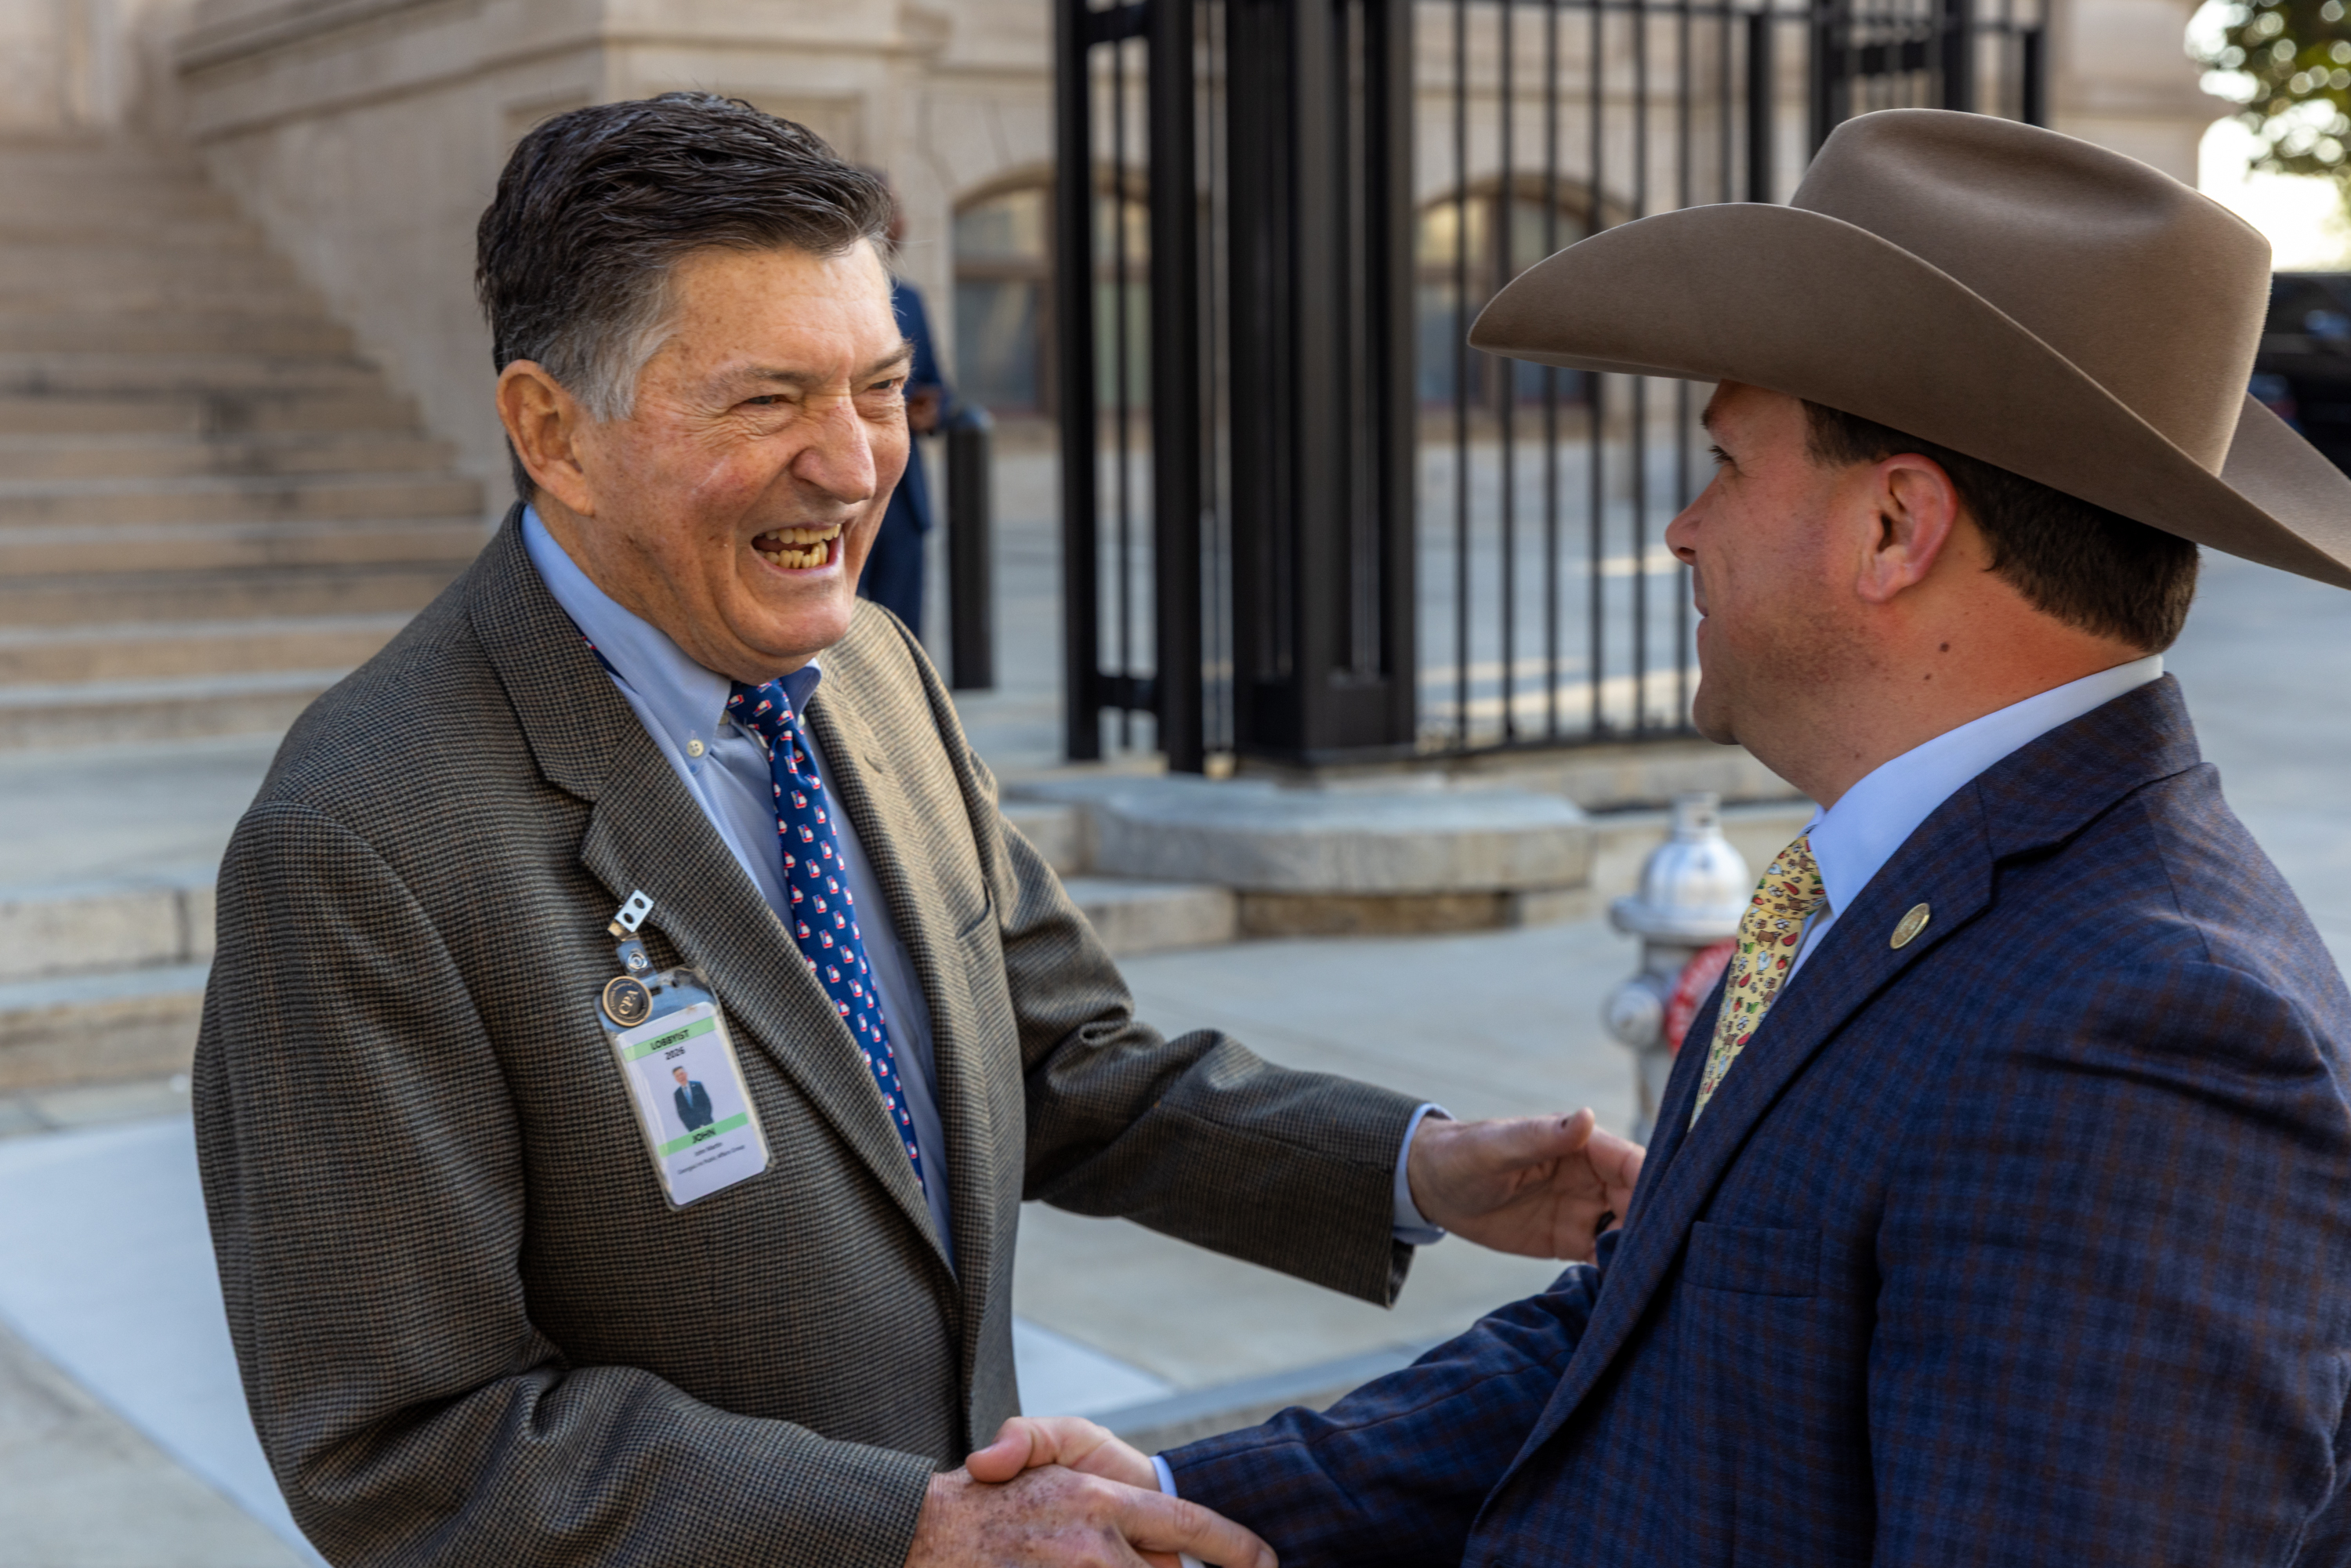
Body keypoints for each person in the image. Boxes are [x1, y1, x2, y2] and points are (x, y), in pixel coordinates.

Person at [190, 92, 1641, 1568]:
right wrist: (906, 1529)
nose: (855, 463)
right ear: (551, 432)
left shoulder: (871, 669)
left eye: (879, 387)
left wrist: (1414, 1165)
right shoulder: (358, 847)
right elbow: (403, 1446)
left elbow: (1057, 1062)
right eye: (768, 401)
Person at [973, 110, 2351, 1562]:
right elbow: (1644, 1341)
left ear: (1895, 528)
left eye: (1728, 468)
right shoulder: (1892, 878)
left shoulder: (2149, 1031)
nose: (1684, 530)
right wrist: (1185, 1508)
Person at [857, 176, 944, 635]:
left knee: (904, 633)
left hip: (904, 499)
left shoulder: (910, 298)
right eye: (893, 210)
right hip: (845, 493)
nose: (903, 222)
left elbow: (936, 386)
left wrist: (931, 411)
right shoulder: (823, 307)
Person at [671, 1065, 715, 1132]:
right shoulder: (677, 1094)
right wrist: (693, 1127)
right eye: (677, 1076)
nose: (680, 1077)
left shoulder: (698, 1085)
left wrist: (705, 1121)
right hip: (693, 1128)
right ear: (676, 1079)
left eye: (682, 1074)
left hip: (707, 1123)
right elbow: (682, 1114)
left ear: (686, 1074)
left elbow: (707, 1103)